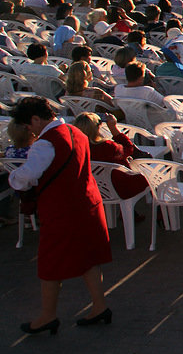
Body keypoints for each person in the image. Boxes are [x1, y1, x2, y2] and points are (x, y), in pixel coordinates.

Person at [8, 96, 112, 333]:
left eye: (28, 125)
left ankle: (47, 315)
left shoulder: (46, 144)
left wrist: (13, 178)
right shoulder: (76, 131)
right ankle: (100, 306)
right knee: (88, 259)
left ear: (36, 119)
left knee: (49, 264)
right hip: (87, 203)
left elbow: (27, 176)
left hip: (62, 210)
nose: (29, 130)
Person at [73, 112, 149, 200]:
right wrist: (112, 127)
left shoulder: (75, 149)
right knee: (149, 175)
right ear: (97, 128)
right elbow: (129, 148)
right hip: (119, 188)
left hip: (93, 188)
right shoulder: (107, 147)